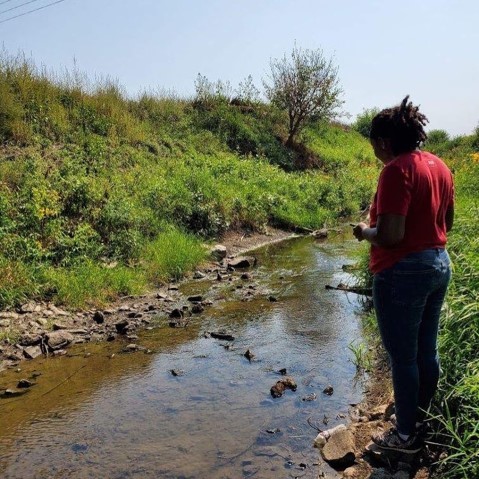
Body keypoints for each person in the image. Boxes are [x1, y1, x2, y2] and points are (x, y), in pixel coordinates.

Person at [352, 96, 454, 453]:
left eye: (374, 147)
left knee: (403, 357)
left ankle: (405, 436)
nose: (376, 153)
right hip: (438, 264)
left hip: (402, 273)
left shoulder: (395, 170)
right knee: (426, 350)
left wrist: (365, 231)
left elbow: (391, 236)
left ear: (382, 142)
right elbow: (447, 223)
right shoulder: (439, 166)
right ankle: (420, 414)